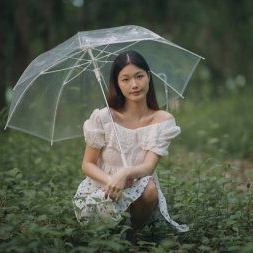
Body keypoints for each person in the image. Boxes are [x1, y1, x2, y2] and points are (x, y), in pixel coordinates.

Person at [73, 50, 188, 238]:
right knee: (105, 228)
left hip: (139, 192)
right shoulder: (103, 117)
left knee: (149, 189)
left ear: (149, 77)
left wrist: (125, 172)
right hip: (102, 190)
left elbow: (149, 166)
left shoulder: (162, 120)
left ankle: (131, 236)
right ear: (117, 84)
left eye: (139, 76)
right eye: (125, 79)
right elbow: (88, 164)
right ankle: (109, 235)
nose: (134, 85)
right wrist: (111, 181)